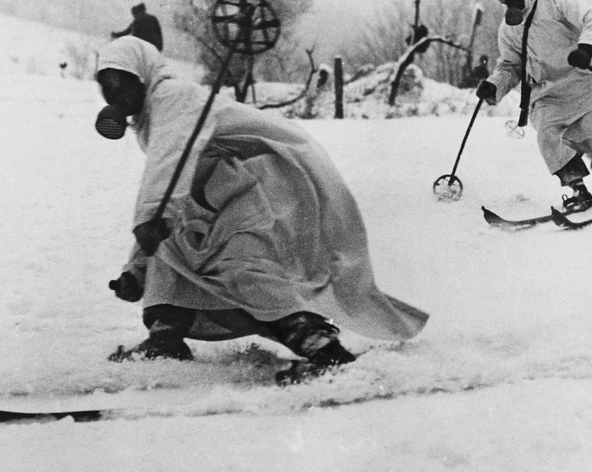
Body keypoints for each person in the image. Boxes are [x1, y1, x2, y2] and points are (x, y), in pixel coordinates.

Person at [94, 36, 428, 383]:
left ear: (143, 76)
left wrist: (150, 217)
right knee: (172, 245)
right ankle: (165, 337)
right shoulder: (153, 120)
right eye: (106, 87)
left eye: (121, 83)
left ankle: (325, 351)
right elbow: (169, 192)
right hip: (232, 186)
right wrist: (137, 269)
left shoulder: (172, 96)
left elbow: (168, 165)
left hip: (273, 176)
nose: (115, 95)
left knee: (243, 265)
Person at [476, 0, 592, 214]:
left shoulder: (558, 1)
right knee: (548, 133)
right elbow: (511, 65)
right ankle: (578, 190)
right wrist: (495, 84)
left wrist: (586, 47)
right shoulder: (509, 30)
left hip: (587, 79)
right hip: (552, 91)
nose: (511, 0)